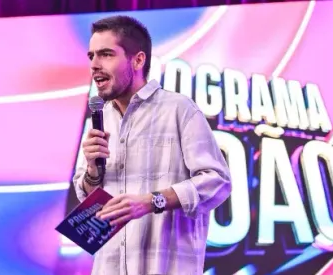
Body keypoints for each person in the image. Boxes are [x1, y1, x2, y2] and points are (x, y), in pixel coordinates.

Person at [73, 15, 232, 275]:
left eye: (106, 54)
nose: (94, 65)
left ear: (138, 60)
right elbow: (90, 199)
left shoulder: (179, 110)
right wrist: (92, 171)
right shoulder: (100, 119)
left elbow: (217, 181)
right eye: (91, 56)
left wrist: (151, 201)